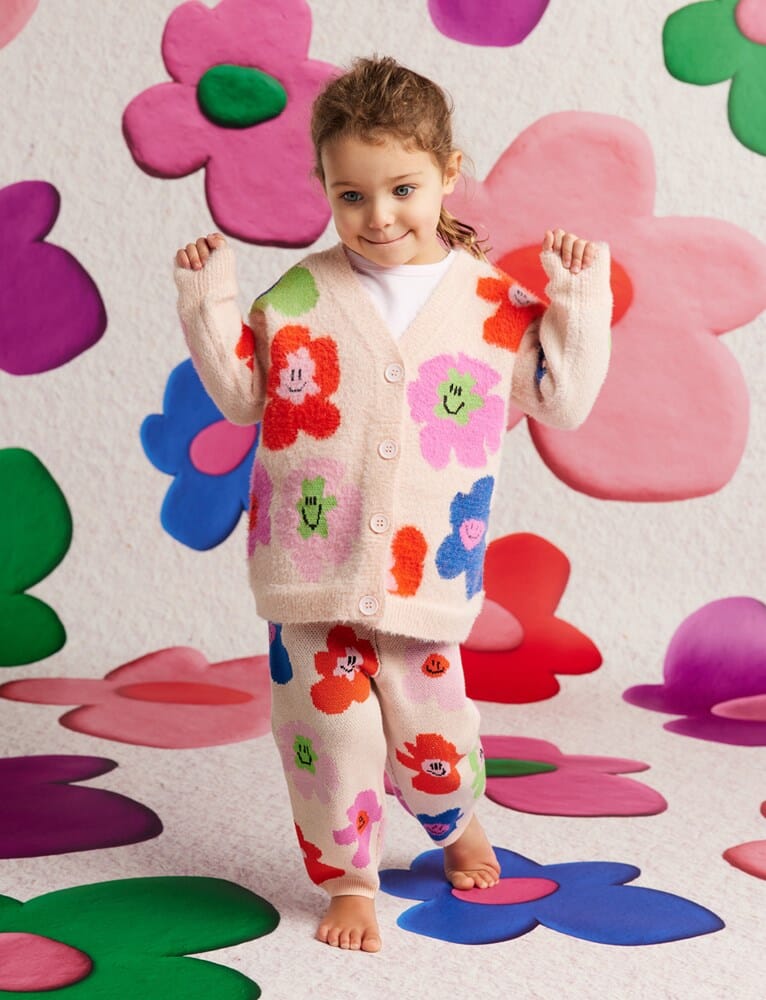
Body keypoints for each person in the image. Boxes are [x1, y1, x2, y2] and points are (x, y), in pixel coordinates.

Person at [174, 55, 612, 954]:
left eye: (402, 189)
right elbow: (243, 397)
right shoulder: (298, 297)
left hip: (424, 578)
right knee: (329, 741)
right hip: (308, 576)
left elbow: (561, 400)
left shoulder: (493, 305)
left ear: (449, 173)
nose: (377, 216)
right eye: (351, 196)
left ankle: (457, 823)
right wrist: (208, 302)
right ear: (325, 189)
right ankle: (350, 879)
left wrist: (578, 298)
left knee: (434, 736)